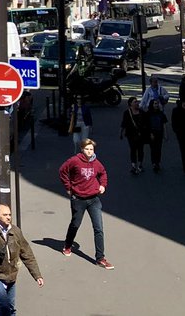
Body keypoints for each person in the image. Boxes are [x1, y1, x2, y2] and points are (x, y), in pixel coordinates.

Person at [0, 203, 44, 316]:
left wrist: (37, 275)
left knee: (10, 306)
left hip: (11, 275)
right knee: (4, 304)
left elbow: (27, 253)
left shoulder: (15, 231)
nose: (8, 217)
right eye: (5, 214)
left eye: (10, 214)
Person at [59, 138, 113, 269]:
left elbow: (103, 173)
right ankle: (67, 245)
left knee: (98, 228)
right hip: (78, 199)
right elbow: (62, 171)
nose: (89, 152)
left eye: (91, 149)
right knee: (75, 224)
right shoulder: (75, 161)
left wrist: (103, 185)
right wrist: (68, 187)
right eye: (87, 149)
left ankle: (100, 258)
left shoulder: (96, 163)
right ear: (82, 149)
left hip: (94, 199)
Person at [119, 97, 147, 175]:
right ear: (130, 104)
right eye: (135, 102)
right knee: (133, 149)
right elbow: (124, 123)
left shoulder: (142, 112)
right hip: (131, 134)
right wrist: (121, 133)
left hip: (141, 134)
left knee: (140, 149)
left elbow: (146, 123)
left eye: (137, 102)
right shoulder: (127, 113)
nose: (137, 103)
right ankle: (134, 165)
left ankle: (140, 164)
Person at [145, 98, 168, 173]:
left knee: (158, 149)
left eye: (157, 103)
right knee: (153, 148)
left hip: (159, 133)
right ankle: (154, 163)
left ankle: (157, 162)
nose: (156, 105)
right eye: (155, 104)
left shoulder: (161, 114)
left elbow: (164, 124)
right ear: (152, 105)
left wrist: (165, 134)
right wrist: (150, 133)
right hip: (152, 133)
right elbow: (147, 125)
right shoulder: (148, 114)